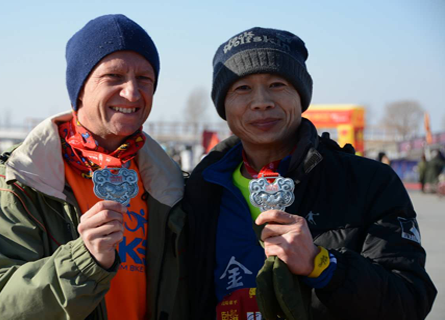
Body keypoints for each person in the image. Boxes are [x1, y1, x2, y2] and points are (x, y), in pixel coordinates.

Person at [183, 27, 437, 319]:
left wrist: (323, 265)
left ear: (301, 96)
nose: (262, 101)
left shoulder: (369, 183)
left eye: (277, 84)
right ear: (222, 105)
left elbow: (410, 300)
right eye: (242, 88)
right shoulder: (199, 191)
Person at [0, 14, 187, 319]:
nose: (132, 93)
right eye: (114, 76)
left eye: (144, 79)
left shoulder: (174, 187)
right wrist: (84, 261)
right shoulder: (18, 182)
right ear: (79, 88)